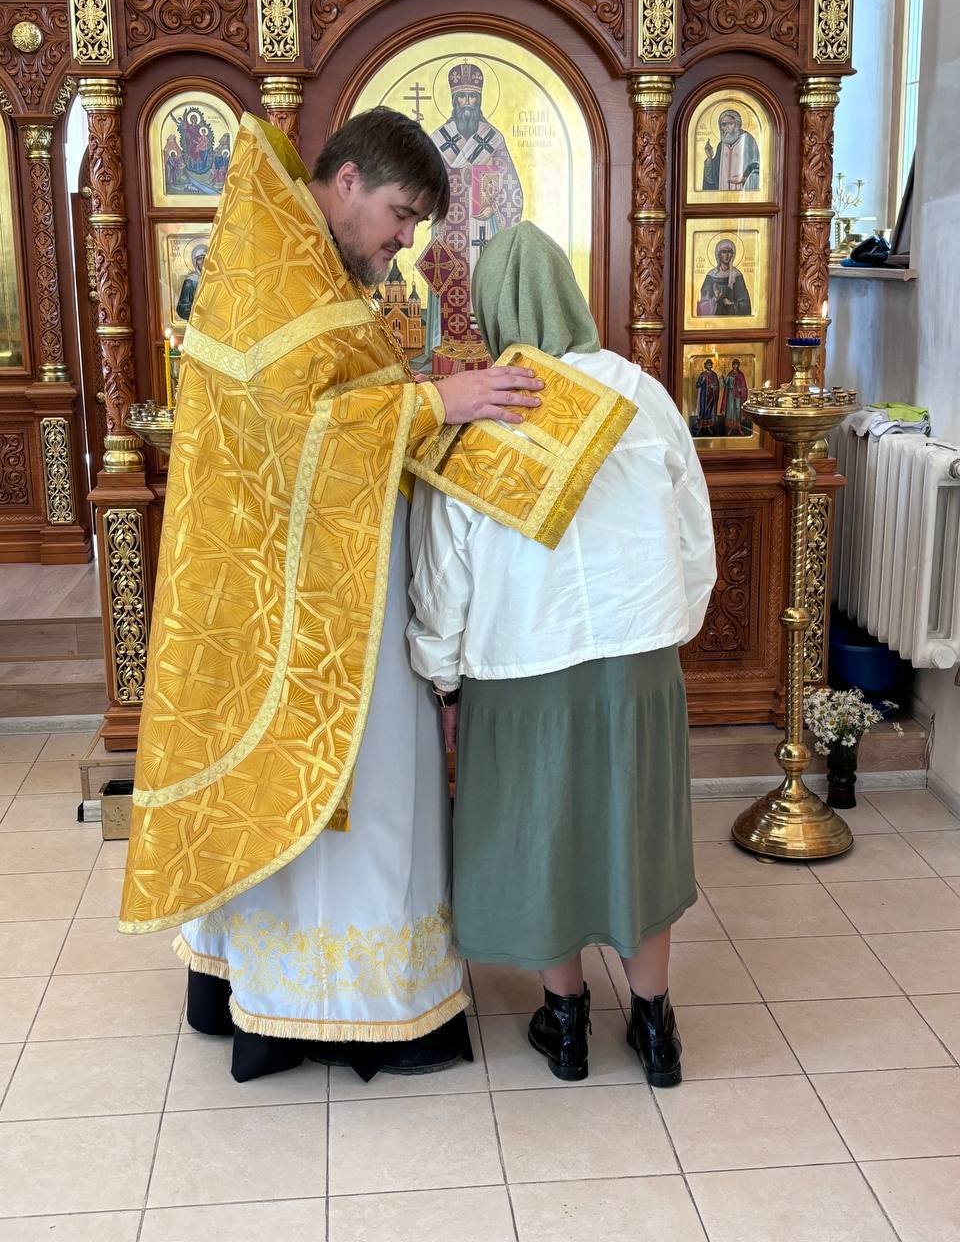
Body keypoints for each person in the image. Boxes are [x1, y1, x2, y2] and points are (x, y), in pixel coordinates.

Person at [119, 110, 627, 1084]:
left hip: (338, 587)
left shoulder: (307, 261)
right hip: (304, 610)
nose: (405, 243)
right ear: (346, 181)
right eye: (400, 217)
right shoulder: (278, 265)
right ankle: (330, 1008)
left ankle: (331, 997)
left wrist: (428, 396)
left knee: (367, 797)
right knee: (359, 793)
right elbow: (292, 433)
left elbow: (329, 404)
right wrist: (437, 401)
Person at [407, 222, 716, 1085]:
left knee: (544, 834)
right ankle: (655, 1025)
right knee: (638, 832)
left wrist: (441, 675)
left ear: (492, 308)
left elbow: (444, 571)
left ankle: (567, 1022)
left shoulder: (483, 407)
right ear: (571, 292)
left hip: (520, 664)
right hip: (640, 660)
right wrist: (674, 622)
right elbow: (693, 526)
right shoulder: (642, 393)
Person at [422, 61, 523, 358]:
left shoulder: (493, 140)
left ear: (479, 100)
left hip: (484, 231)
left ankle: (488, 349)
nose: (467, 103)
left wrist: (495, 208)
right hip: (449, 229)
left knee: (485, 281)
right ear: (454, 101)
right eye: (462, 97)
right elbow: (425, 185)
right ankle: (447, 346)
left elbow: (512, 188)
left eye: (472, 97)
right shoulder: (439, 140)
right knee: (448, 280)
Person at [702, 108, 761, 192]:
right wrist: (709, 158)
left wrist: (744, 177)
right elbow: (714, 176)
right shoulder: (721, 145)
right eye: (723, 124)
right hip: (722, 194)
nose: (727, 128)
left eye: (730, 124)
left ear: (737, 124)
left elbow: (758, 166)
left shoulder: (747, 140)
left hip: (743, 193)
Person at [698, 238, 752, 316]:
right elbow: (703, 304)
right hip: (714, 319)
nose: (727, 255)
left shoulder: (737, 275)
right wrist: (715, 298)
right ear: (718, 254)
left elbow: (745, 305)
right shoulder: (711, 275)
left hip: (732, 318)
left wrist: (731, 304)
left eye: (729, 252)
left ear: (732, 255)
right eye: (724, 252)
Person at [175, 242, 206, 321]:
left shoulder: (217, 279)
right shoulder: (190, 282)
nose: (203, 261)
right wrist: (198, 307)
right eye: (200, 259)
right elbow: (181, 308)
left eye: (205, 258)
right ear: (195, 262)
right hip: (196, 321)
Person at [720, 357, 750, 435]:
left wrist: (740, 389)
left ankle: (738, 426)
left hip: (738, 395)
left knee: (737, 410)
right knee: (731, 410)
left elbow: (744, 386)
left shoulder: (741, 375)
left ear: (738, 365)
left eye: (736, 364)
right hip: (730, 394)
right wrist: (722, 379)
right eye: (733, 364)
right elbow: (725, 384)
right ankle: (731, 427)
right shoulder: (729, 374)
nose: (735, 366)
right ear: (732, 365)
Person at [694, 357, 721, 433]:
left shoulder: (714, 374)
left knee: (709, 410)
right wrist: (702, 382)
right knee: (702, 409)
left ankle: (708, 426)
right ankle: (701, 425)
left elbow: (717, 385)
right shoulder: (702, 374)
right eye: (708, 365)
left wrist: (713, 386)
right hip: (703, 395)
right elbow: (697, 385)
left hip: (711, 396)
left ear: (712, 366)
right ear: (705, 365)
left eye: (710, 365)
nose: (709, 366)